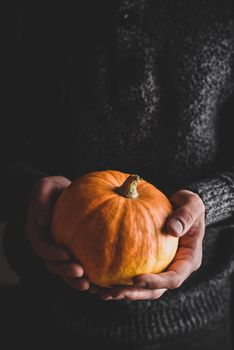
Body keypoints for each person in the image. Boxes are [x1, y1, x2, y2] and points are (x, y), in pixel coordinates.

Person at [1, 1, 234, 349]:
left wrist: (212, 201)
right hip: (43, 312)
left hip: (199, 321)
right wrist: (25, 191)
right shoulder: (23, 11)